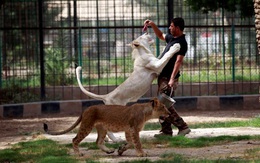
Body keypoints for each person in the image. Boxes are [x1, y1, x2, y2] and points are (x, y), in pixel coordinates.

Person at [144, 17, 191, 136]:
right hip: (162, 76)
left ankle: (182, 126)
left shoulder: (181, 43)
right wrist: (152, 24)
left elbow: (178, 62)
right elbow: (160, 35)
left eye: (171, 26)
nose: (169, 28)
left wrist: (171, 79)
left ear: (178, 28)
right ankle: (166, 131)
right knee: (162, 104)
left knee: (163, 104)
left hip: (169, 79)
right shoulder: (172, 38)